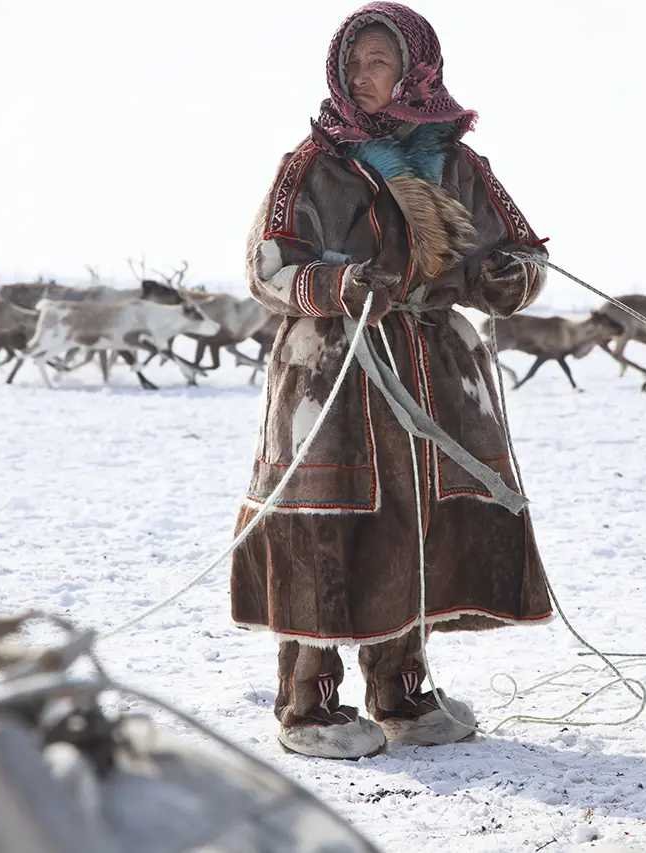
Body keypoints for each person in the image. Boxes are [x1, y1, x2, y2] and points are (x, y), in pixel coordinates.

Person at [232, 1, 552, 760]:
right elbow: (266, 267)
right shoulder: (309, 167)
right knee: (326, 520)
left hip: (429, 372)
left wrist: (505, 276)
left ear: (417, 69)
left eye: (379, 60)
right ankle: (308, 700)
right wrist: (343, 285)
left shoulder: (458, 165)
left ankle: (401, 688)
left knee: (416, 520)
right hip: (332, 377)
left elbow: (524, 256)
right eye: (353, 62)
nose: (361, 75)